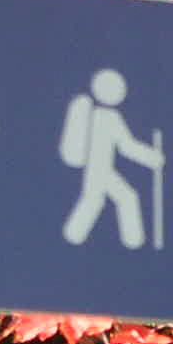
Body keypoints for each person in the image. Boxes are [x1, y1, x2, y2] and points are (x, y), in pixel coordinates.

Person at [61, 68, 164, 250]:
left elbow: (125, 146)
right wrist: (151, 158)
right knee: (99, 200)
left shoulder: (106, 116)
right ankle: (73, 236)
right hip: (98, 170)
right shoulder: (108, 118)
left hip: (102, 169)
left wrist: (151, 158)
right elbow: (127, 147)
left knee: (121, 198)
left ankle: (132, 241)